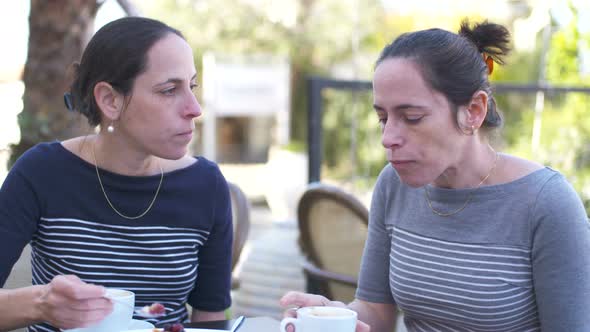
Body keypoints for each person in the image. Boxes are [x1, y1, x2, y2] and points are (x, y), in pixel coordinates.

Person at [281, 20, 590, 332]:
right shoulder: (393, 184)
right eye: (383, 118)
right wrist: (333, 318)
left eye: (411, 117)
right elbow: (375, 310)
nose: (387, 137)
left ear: (473, 110)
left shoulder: (547, 204)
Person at [0, 17, 233, 331]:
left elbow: (211, 319)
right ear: (110, 100)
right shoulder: (42, 172)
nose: (194, 108)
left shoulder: (205, 185)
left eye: (191, 86)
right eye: (169, 90)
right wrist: (41, 304)